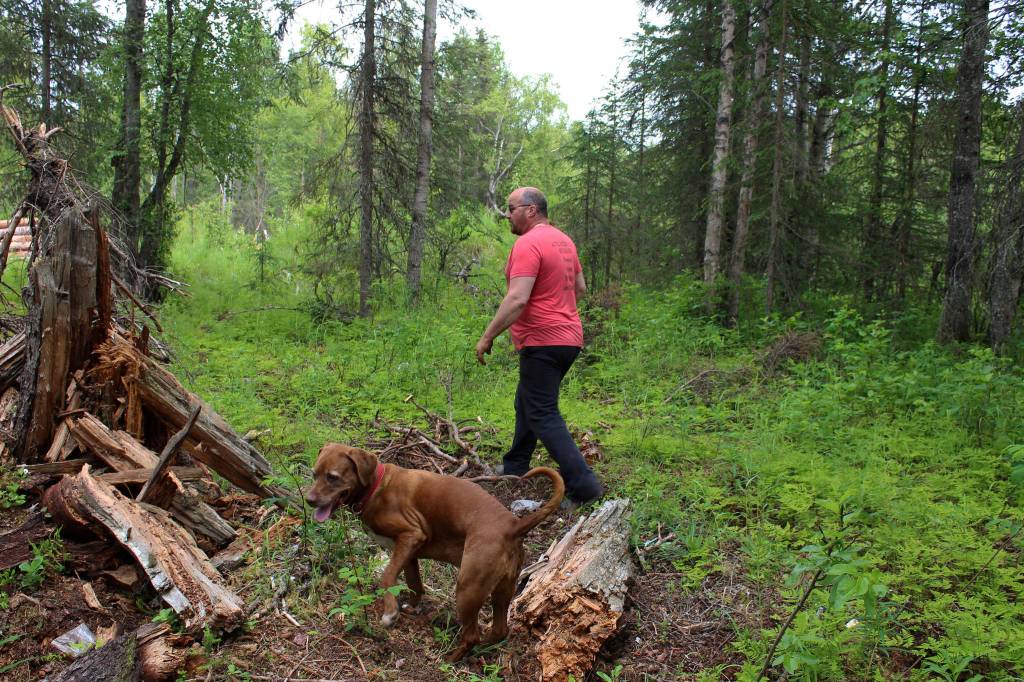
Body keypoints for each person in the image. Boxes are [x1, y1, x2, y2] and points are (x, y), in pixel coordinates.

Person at [475, 186, 603, 506]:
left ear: (531, 210)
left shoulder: (528, 243)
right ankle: (516, 465)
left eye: (511, 208)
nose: (507, 214)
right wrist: (557, 308)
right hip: (569, 339)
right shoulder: (564, 241)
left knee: (543, 412)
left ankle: (584, 486)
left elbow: (517, 298)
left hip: (543, 341)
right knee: (528, 401)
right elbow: (581, 288)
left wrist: (487, 336)